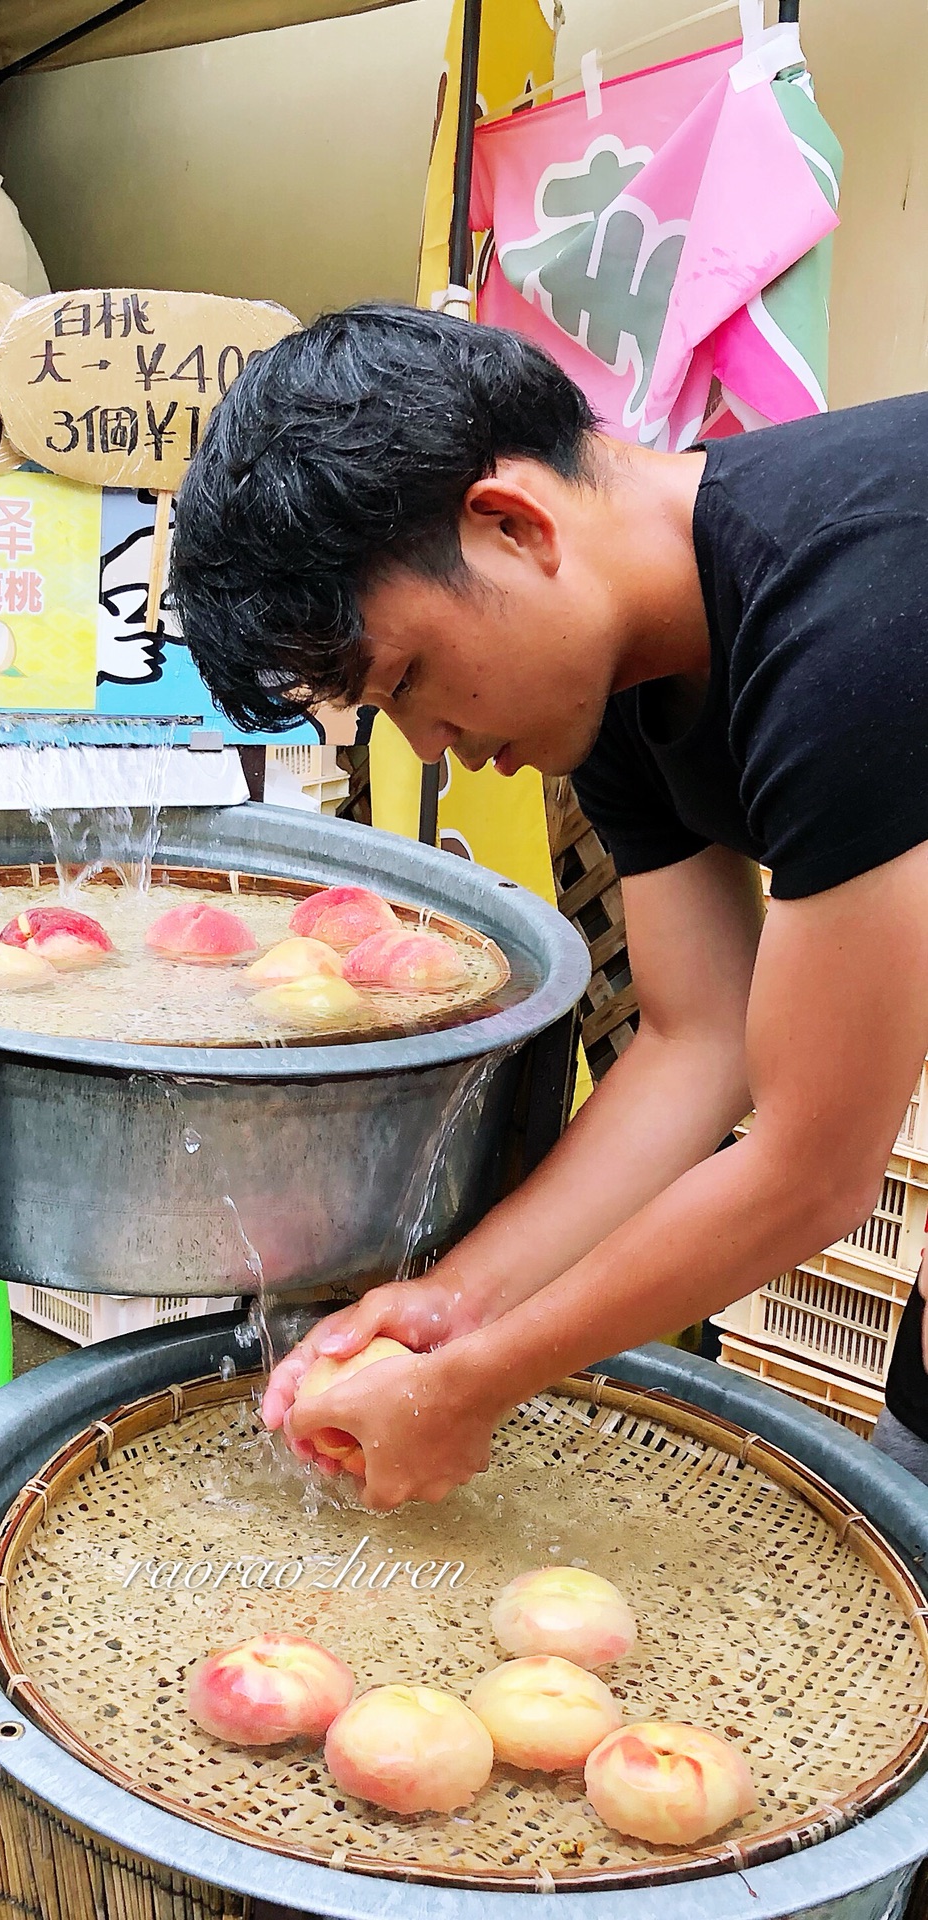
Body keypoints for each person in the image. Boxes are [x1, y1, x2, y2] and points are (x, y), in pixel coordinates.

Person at [170, 304, 928, 1508]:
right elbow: (701, 1040)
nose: (430, 743)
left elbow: (807, 1167)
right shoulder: (624, 674)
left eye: (407, 678)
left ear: (513, 524)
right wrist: (450, 1303)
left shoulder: (854, 623)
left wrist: (475, 1384)